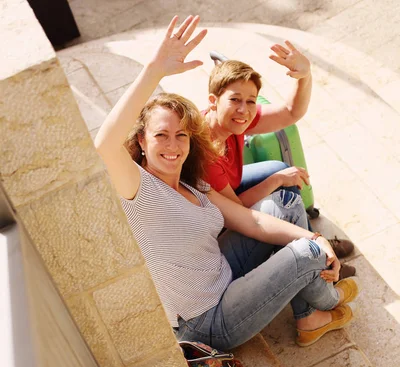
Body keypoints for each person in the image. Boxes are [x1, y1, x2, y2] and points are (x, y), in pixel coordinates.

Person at [95, 15, 358, 350]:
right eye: (161, 136)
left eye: (180, 135)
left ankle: (312, 298)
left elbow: (251, 220)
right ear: (142, 142)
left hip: (224, 273)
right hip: (208, 321)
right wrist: (154, 70)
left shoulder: (191, 185)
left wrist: (316, 235)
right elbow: (105, 145)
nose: (173, 146)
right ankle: (328, 299)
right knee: (305, 253)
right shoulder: (140, 190)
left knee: (288, 209)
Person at [203, 51, 356, 279]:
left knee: (278, 168)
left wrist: (304, 76)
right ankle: (318, 264)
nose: (244, 110)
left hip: (228, 195)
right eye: (235, 100)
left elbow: (289, 112)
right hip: (218, 228)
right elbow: (237, 210)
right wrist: (277, 181)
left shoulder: (232, 120)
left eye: (251, 101)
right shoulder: (205, 151)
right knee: (280, 181)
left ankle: (313, 242)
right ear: (213, 101)